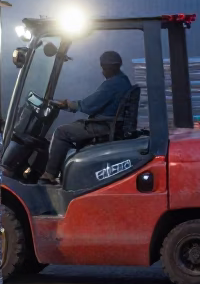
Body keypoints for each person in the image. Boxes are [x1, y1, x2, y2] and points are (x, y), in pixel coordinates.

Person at [38, 50, 132, 185]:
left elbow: (89, 105)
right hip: (111, 124)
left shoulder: (112, 84)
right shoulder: (124, 81)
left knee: (61, 132)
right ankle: (65, 171)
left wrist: (68, 104)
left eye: (104, 68)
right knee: (74, 127)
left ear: (110, 67)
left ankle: (50, 174)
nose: (103, 72)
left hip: (104, 126)